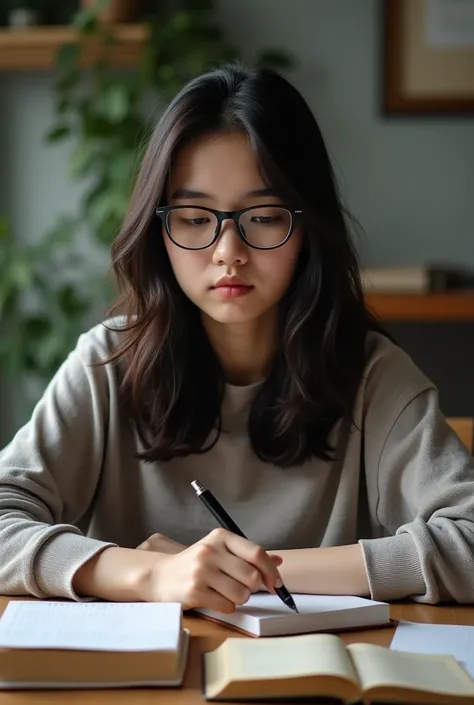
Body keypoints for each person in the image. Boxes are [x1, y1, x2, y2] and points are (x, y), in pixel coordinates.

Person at [1, 64, 473, 613]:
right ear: (159, 231)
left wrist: (237, 571)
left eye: (265, 216)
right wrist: (151, 576)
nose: (229, 250)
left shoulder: (372, 374)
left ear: (308, 228)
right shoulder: (108, 362)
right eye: (196, 217)